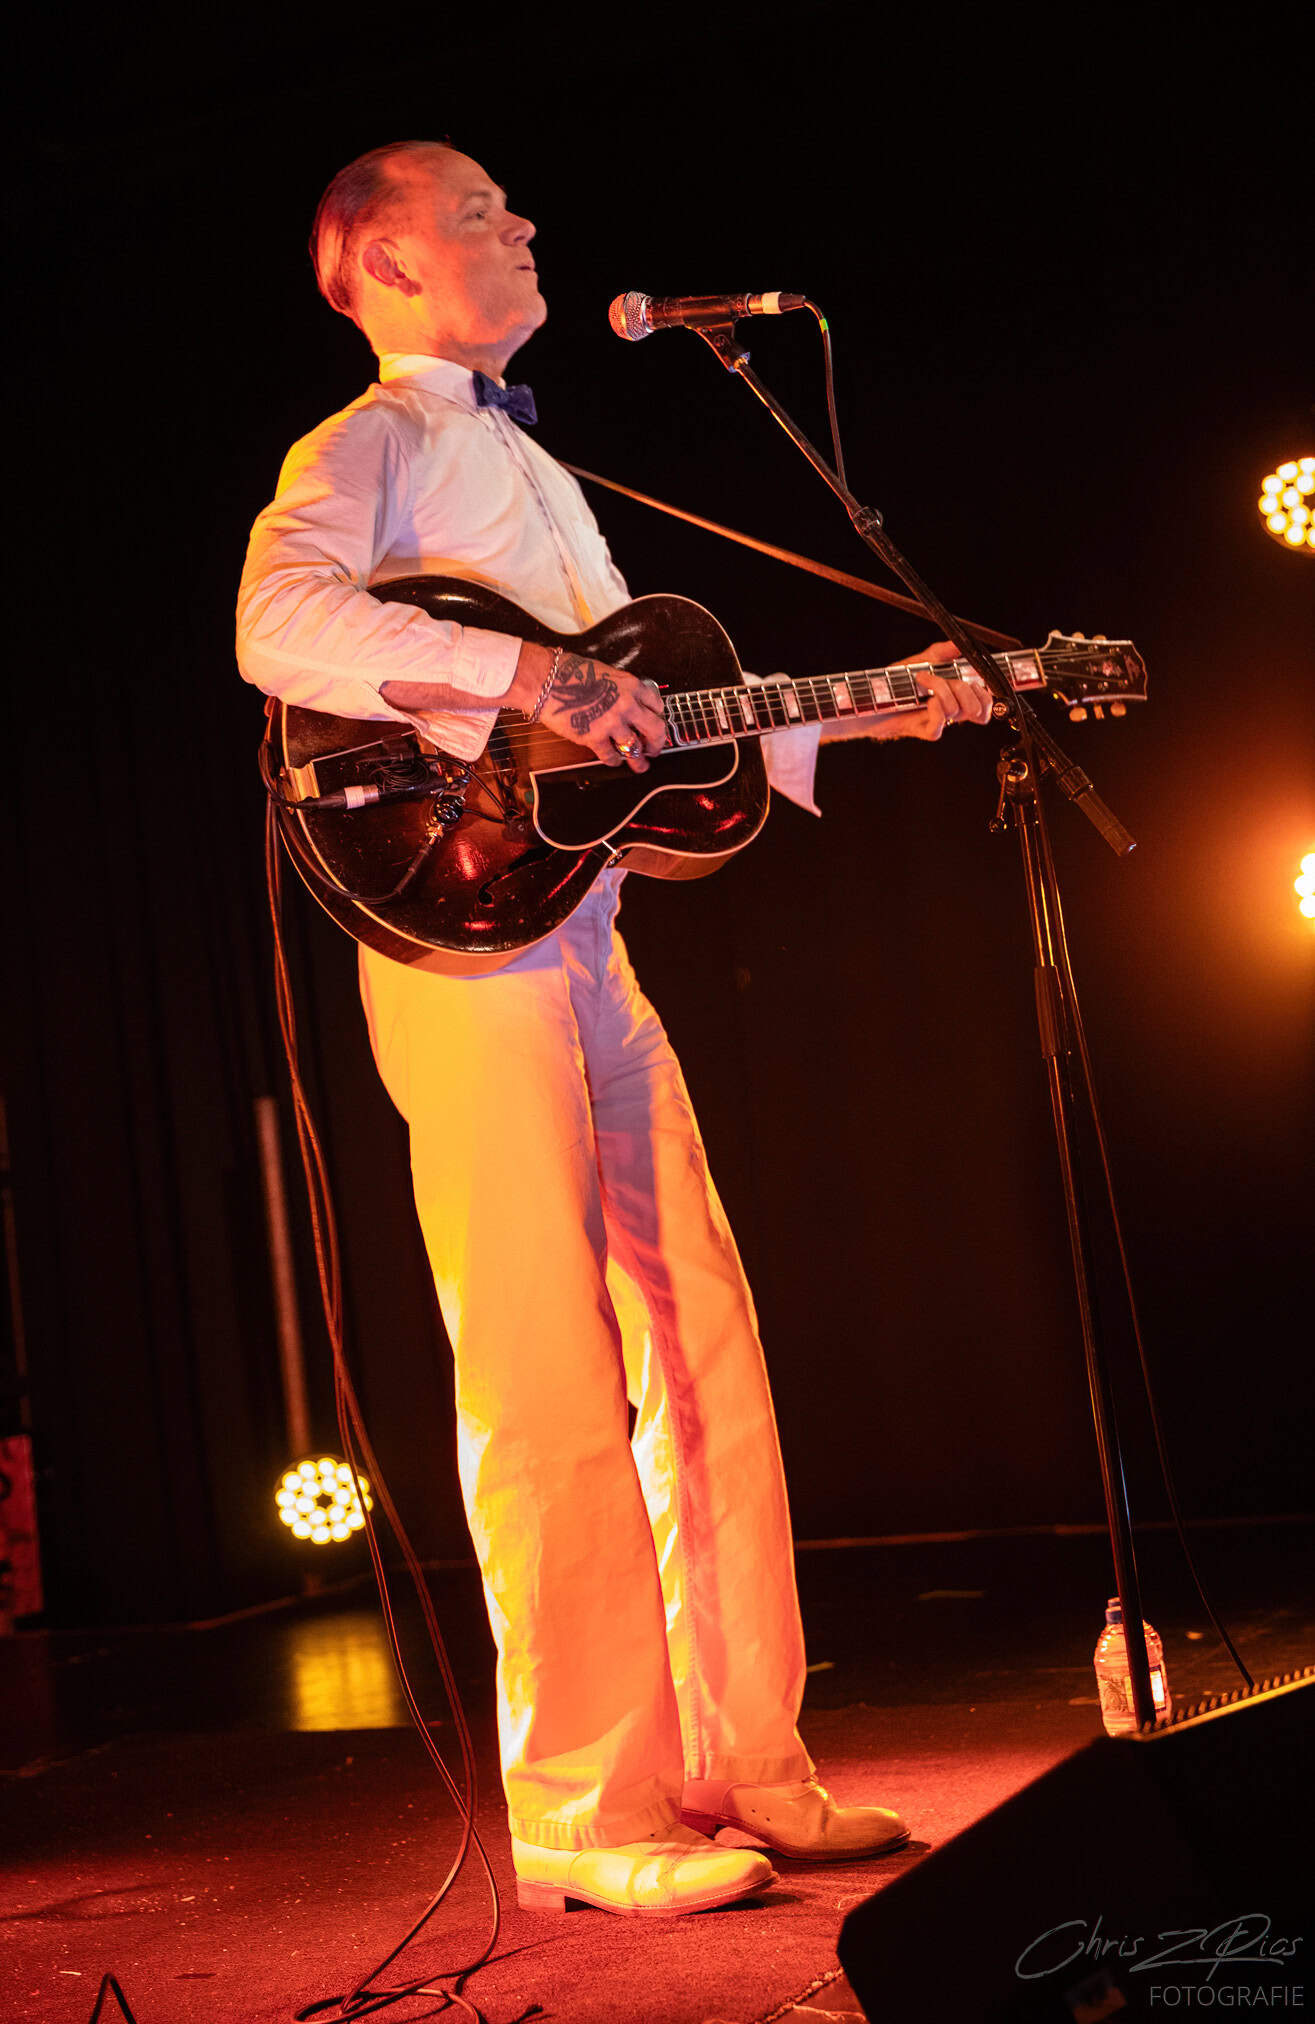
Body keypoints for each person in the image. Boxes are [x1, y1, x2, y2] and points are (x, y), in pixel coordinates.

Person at [236, 139, 992, 1918]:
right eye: (480, 212)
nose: (524, 225)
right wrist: (531, 670)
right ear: (382, 263)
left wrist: (870, 712)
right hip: (461, 945)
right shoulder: (367, 444)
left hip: (583, 935)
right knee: (542, 1359)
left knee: (700, 1331)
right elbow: (277, 623)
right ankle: (585, 1802)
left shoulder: (535, 461)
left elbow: (630, 733)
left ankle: (743, 1762)